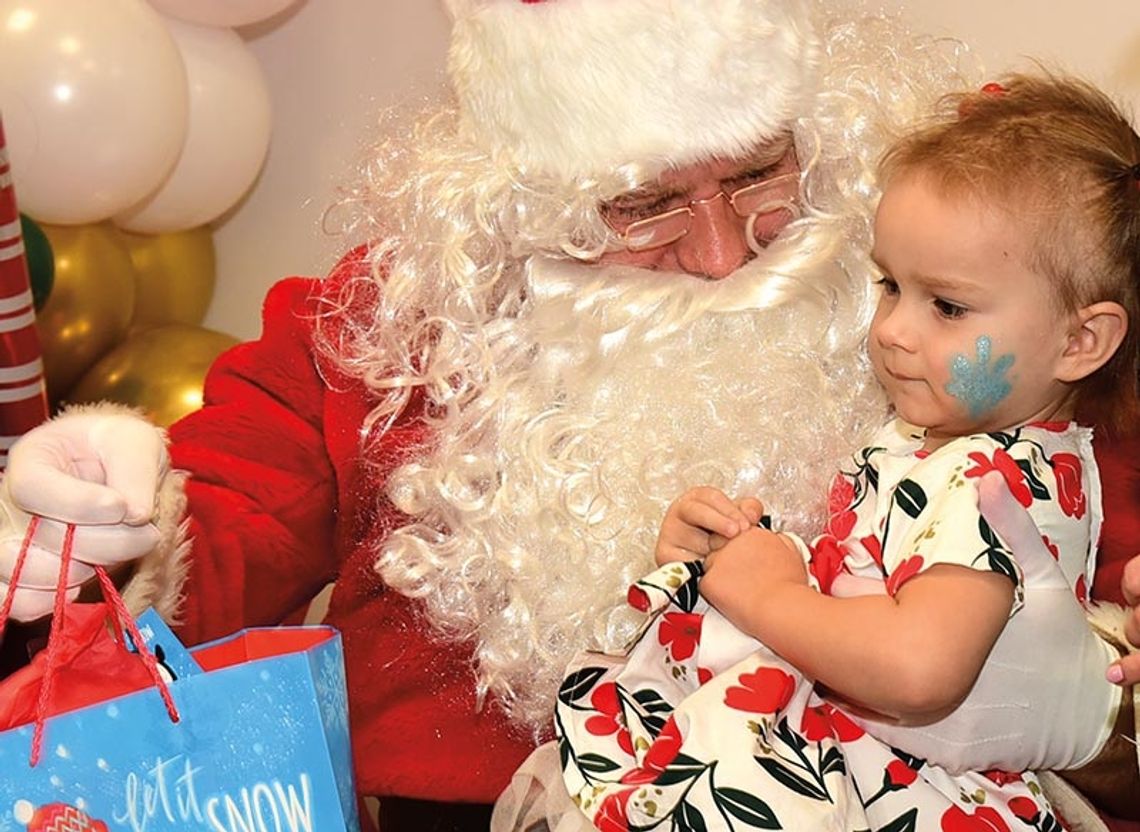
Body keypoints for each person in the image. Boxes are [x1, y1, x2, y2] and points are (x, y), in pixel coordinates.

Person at [0, 1, 1135, 830]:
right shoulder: (391, 319)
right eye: (640, 204)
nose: (718, 253)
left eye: (755, 175)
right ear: (519, 195)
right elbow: (224, 527)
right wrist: (121, 513)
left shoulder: (938, 284)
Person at [549, 72, 1134, 832]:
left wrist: (768, 599)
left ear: (1080, 341)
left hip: (908, 801)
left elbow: (917, 672)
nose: (892, 328)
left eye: (947, 306)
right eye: (890, 285)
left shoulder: (999, 479)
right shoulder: (934, 443)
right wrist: (739, 558)